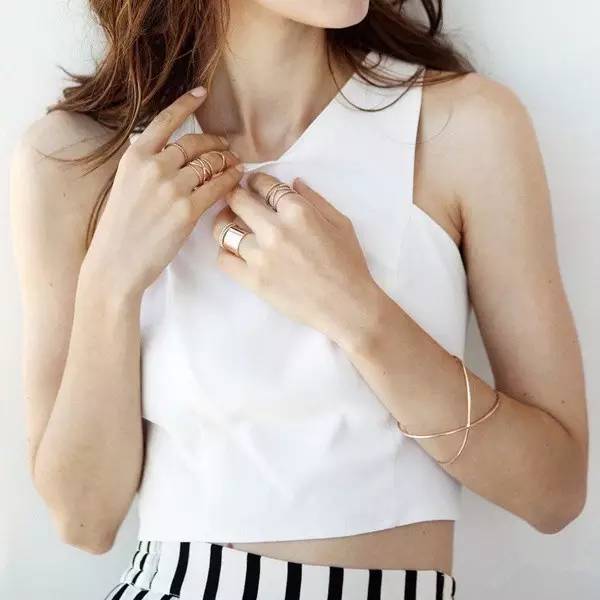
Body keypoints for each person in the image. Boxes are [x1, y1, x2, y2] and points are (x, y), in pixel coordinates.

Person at [9, 1, 588, 598]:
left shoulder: (463, 127)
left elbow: (555, 492)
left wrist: (360, 315)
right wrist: (111, 284)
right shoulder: (77, 161)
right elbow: (85, 520)